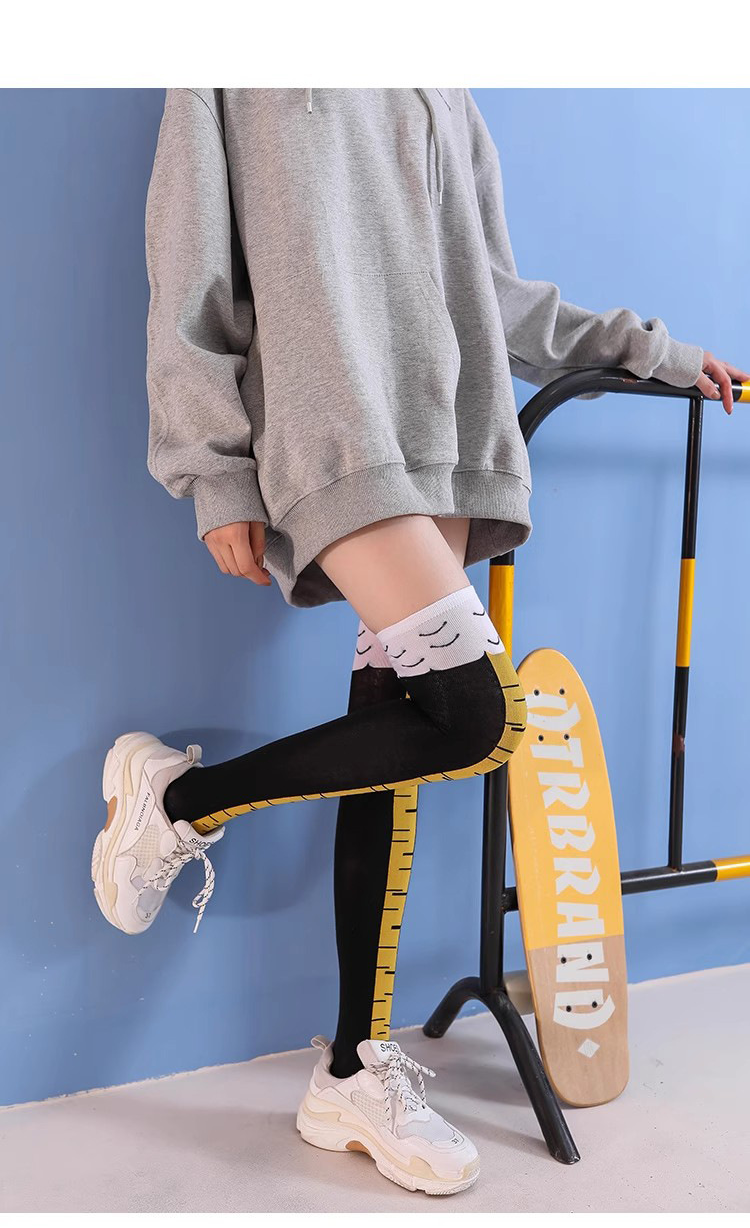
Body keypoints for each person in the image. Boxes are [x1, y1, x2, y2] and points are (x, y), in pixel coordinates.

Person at [91, 89, 746, 1197]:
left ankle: (350, 1068)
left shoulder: (440, 84)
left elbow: (488, 292)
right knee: (479, 716)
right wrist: (214, 469)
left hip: (444, 440)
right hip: (336, 435)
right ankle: (177, 804)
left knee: (396, 738)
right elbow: (191, 276)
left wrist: (653, 353)